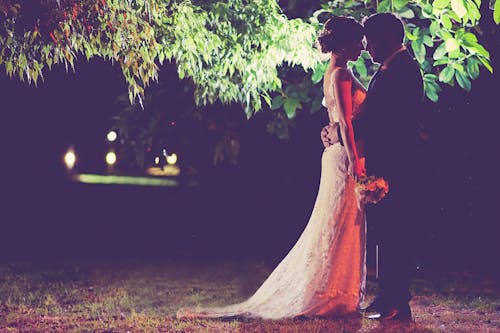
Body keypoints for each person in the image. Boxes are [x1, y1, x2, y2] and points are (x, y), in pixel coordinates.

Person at [176, 16, 367, 320]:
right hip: (343, 157)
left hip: (335, 153)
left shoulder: (332, 72)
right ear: (345, 44)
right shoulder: (342, 74)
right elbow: (344, 121)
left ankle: (334, 290)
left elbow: (339, 119)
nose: (363, 46)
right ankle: (331, 292)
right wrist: (357, 160)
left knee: (334, 223)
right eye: (359, 41)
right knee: (337, 223)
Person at [326, 13, 424, 322]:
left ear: (386, 38)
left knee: (397, 232)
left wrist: (342, 130)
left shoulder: (405, 70)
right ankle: (388, 297)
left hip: (399, 163)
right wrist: (338, 130)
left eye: (370, 40)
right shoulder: (389, 69)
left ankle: (396, 300)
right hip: (385, 161)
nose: (367, 47)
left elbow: (388, 118)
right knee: (387, 232)